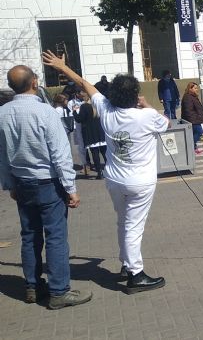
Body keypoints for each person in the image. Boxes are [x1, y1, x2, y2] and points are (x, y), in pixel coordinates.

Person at [42, 51, 170, 295]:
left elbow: (83, 84)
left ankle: (126, 263)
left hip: (114, 179)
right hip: (140, 182)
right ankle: (135, 274)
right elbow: (167, 124)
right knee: (134, 226)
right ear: (135, 95)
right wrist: (148, 105)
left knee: (123, 221)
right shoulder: (147, 116)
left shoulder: (106, 109)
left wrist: (63, 67)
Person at [0, 65, 92, 309]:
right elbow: (60, 153)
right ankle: (59, 290)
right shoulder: (46, 112)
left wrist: (9, 183)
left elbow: (2, 154)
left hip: (22, 182)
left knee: (29, 235)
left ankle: (32, 285)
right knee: (56, 237)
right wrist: (70, 188)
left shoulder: (3, 113)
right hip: (47, 182)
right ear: (34, 83)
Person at [73, 97, 107, 179]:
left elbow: (79, 119)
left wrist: (74, 111)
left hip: (90, 132)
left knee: (95, 153)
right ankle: (110, 170)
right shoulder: (99, 105)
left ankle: (99, 173)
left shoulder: (84, 106)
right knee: (104, 153)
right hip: (100, 131)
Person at [182, 83, 203, 154]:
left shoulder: (193, 96)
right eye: (195, 88)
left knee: (194, 134)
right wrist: (194, 120)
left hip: (196, 119)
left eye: (197, 88)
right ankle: (190, 147)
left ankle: (194, 148)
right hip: (192, 120)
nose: (197, 89)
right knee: (199, 132)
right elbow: (188, 111)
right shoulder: (188, 97)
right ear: (190, 89)